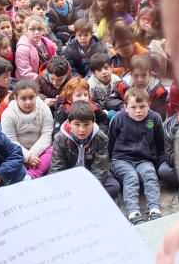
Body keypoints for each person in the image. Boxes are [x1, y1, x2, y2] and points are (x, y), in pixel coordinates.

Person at [108, 86, 165, 223]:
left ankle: (154, 209)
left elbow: (159, 142)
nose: (138, 111)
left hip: (144, 159)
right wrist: (110, 163)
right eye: (133, 107)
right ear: (126, 107)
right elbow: (110, 141)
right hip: (121, 159)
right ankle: (133, 213)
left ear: (149, 105)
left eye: (142, 106)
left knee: (150, 174)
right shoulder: (118, 119)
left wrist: (158, 162)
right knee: (131, 177)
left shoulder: (154, 118)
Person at [50, 101, 120, 198]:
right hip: (69, 176)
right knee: (52, 186)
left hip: (90, 176)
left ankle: (82, 198)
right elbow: (57, 167)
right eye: (77, 124)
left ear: (93, 123)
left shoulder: (101, 138)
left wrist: (89, 188)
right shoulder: (60, 138)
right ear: (69, 123)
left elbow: (100, 169)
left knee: (113, 187)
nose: (82, 130)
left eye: (86, 125)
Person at [0, 79, 54, 179]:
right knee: (8, 157)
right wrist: (27, 157)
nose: (28, 102)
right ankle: (26, 171)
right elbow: (10, 140)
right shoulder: (8, 114)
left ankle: (31, 175)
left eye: (31, 97)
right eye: (23, 99)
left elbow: (47, 133)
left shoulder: (44, 108)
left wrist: (33, 154)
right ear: (16, 98)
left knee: (53, 150)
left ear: (36, 96)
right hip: (18, 152)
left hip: (40, 151)